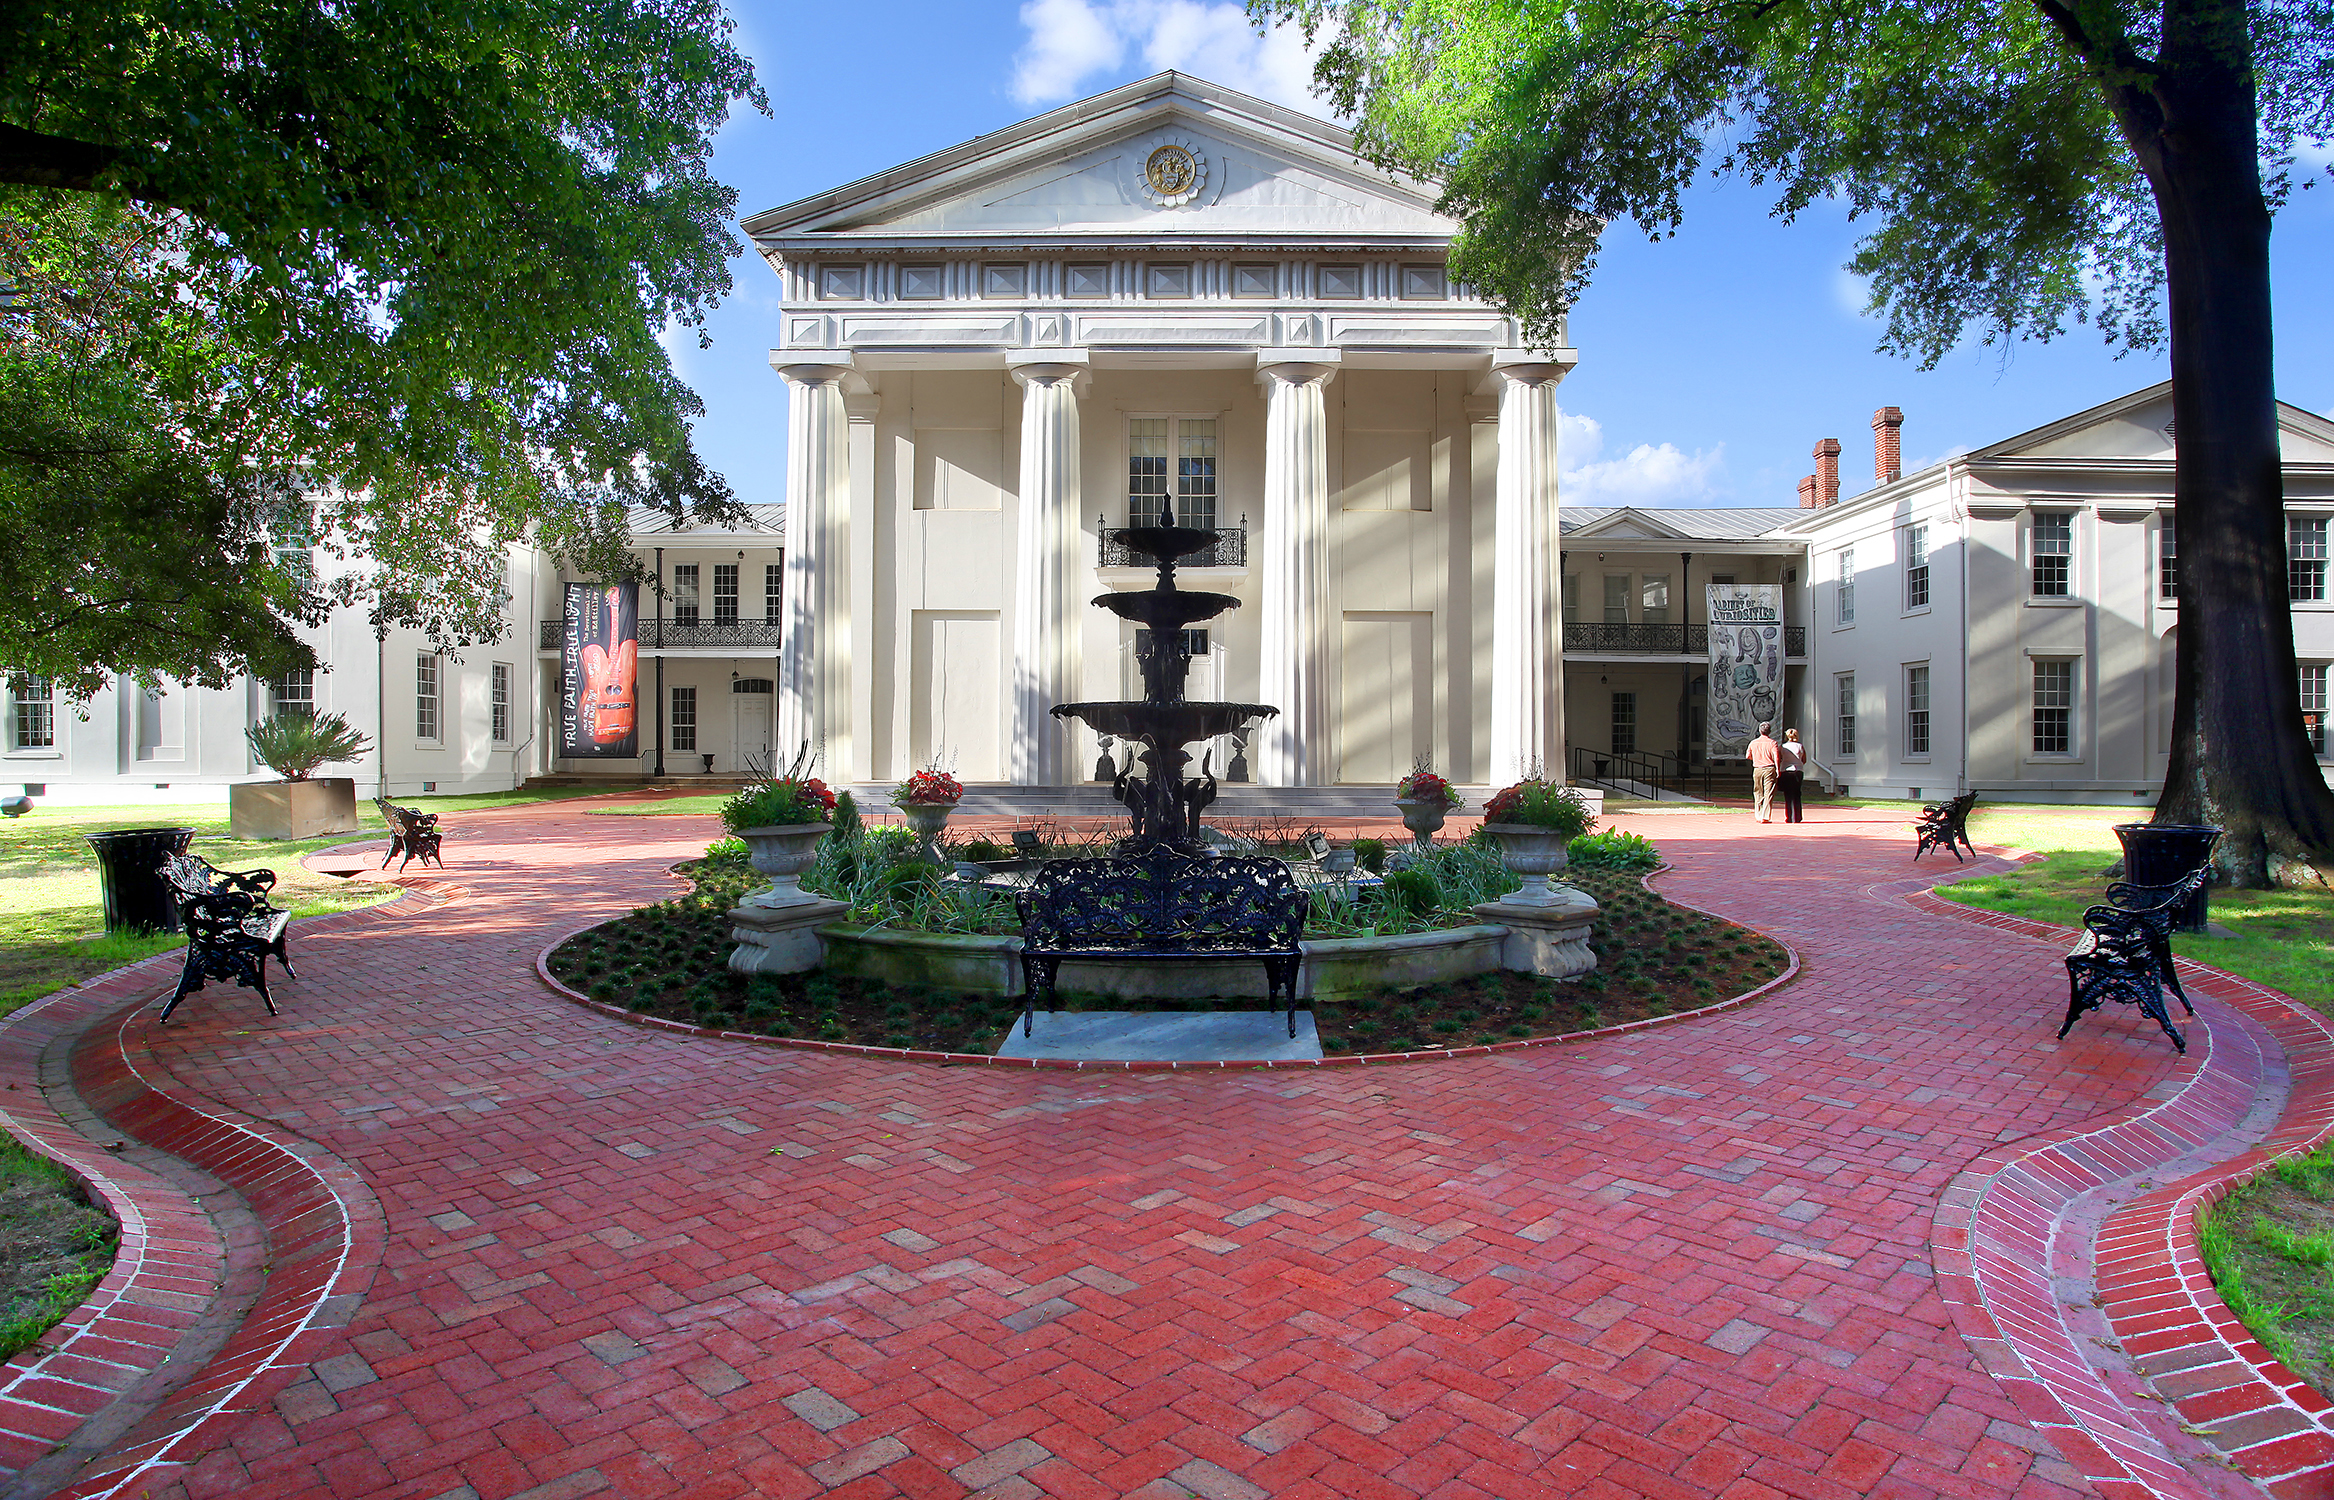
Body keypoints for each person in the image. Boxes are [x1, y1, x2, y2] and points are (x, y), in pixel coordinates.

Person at [1747, 722, 1780, 823]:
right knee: (1768, 792)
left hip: (1757, 768)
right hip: (1769, 768)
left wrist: (1756, 759)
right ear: (1769, 731)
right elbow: (1776, 756)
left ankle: (1758, 814)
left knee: (1757, 792)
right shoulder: (1772, 743)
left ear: (1760, 731)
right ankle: (1765, 816)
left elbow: (1748, 756)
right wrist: (1778, 769)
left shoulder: (1753, 743)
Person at [1777, 728, 1807, 824]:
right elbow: (1804, 759)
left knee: (1788, 795)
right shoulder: (1800, 746)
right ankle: (1797, 817)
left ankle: (1789, 817)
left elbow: (1779, 758)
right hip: (1798, 771)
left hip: (1786, 771)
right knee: (1797, 794)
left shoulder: (1782, 747)